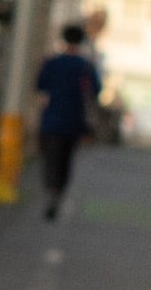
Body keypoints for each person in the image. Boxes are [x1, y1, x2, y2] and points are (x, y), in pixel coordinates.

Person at [31, 24, 103, 220]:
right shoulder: (86, 66)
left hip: (51, 119)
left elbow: (40, 85)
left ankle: (51, 192)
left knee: (50, 159)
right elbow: (96, 90)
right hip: (74, 122)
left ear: (63, 39)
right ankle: (59, 193)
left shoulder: (53, 62)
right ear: (81, 41)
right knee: (65, 160)